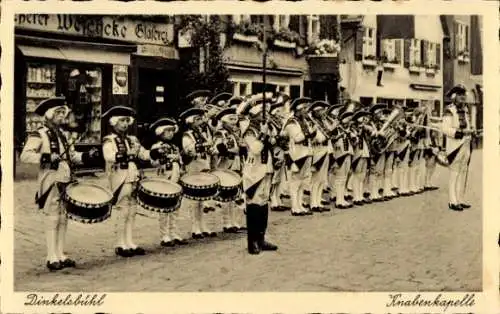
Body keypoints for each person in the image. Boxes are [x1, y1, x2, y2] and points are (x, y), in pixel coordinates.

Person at [20, 96, 98, 270]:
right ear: (49, 115)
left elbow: (72, 157)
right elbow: (25, 155)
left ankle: (61, 254)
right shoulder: (39, 133)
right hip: (51, 180)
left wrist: (86, 156)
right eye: (58, 113)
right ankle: (51, 256)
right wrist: (46, 157)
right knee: (52, 217)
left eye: (63, 113)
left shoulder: (61, 135)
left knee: (63, 218)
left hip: (65, 179)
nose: (62, 116)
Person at [102, 106, 154, 257]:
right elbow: (109, 156)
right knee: (122, 210)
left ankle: (129, 241)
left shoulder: (132, 140)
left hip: (133, 176)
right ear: (114, 122)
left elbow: (143, 154)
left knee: (132, 210)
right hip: (120, 177)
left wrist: (154, 152)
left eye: (126, 121)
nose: (125, 124)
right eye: (121, 121)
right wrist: (124, 154)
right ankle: (120, 243)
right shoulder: (109, 140)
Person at [238, 96, 278, 254]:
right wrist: (263, 135)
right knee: (254, 204)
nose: (267, 115)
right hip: (254, 171)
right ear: (256, 115)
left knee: (263, 204)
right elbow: (255, 149)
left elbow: (272, 143)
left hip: (266, 168)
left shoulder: (266, 128)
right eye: (264, 113)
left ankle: (261, 238)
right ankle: (252, 241)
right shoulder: (249, 131)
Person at [180, 107, 221, 238]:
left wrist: (211, 149)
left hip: (204, 164)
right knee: (194, 198)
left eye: (200, 118)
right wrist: (205, 146)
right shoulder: (187, 135)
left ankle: (203, 225)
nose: (200, 121)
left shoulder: (203, 133)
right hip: (194, 166)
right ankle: (195, 227)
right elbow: (189, 150)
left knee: (203, 198)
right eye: (197, 119)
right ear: (191, 121)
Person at [149, 118, 188, 247]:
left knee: (175, 207)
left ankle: (174, 232)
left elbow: (180, 162)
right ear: (161, 132)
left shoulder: (175, 147)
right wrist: (162, 158)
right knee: (164, 207)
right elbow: (153, 162)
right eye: (167, 131)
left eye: (172, 131)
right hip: (165, 178)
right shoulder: (156, 147)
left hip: (176, 177)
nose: (171, 133)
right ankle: (164, 235)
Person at [440, 84, 475, 211]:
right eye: (460, 95)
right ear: (454, 97)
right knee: (454, 174)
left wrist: (471, 131)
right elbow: (445, 128)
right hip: (455, 146)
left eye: (463, 95)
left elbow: (467, 126)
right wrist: (459, 133)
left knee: (463, 173)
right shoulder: (449, 110)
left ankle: (461, 199)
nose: (463, 98)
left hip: (466, 144)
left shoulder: (466, 110)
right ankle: (452, 201)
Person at [282, 97, 315, 216]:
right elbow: (297, 138)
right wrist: (309, 134)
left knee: (302, 182)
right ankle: (294, 207)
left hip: (306, 153)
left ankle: (300, 205)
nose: (307, 111)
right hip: (296, 155)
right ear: (298, 110)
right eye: (304, 109)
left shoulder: (304, 121)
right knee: (295, 182)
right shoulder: (292, 122)